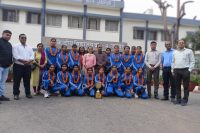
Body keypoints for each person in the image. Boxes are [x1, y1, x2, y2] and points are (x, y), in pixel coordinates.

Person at [172, 39, 195, 106]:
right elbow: (173, 62)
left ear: (184, 44)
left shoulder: (189, 51)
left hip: (185, 70)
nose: (181, 44)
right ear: (178, 44)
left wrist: (189, 70)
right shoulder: (175, 52)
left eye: (182, 43)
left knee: (186, 86)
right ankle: (178, 100)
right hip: (176, 70)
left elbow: (192, 61)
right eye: (180, 43)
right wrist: (172, 70)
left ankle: (185, 100)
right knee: (177, 86)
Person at [12, 34, 34, 100]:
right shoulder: (15, 46)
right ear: (19, 38)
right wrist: (24, 62)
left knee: (27, 81)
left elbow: (32, 56)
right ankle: (16, 94)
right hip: (18, 66)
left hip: (27, 66)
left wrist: (28, 61)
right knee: (16, 81)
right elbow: (16, 56)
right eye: (22, 37)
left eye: (25, 38)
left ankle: (28, 93)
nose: (24, 39)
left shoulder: (29, 47)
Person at [0, 30, 13, 103]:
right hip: (0, 65)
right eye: (7, 35)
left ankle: (1, 95)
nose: (8, 36)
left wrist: (10, 63)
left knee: (2, 82)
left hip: (6, 66)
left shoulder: (9, 44)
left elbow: (10, 54)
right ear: (2, 34)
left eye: (10, 35)